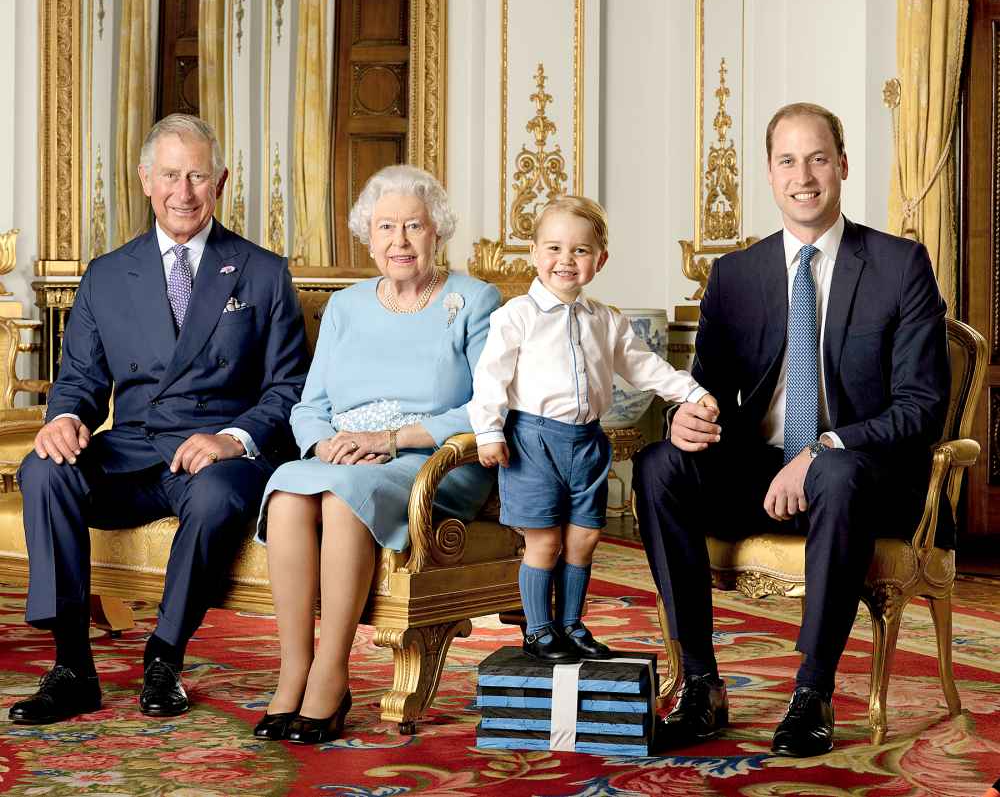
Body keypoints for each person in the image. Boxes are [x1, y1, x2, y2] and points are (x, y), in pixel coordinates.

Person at [634, 102, 950, 757]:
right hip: (759, 472)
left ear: (841, 165)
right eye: (787, 160)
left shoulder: (899, 265)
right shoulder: (735, 275)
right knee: (660, 463)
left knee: (835, 469)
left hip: (861, 477)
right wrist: (685, 417)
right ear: (769, 174)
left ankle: (813, 692)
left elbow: (921, 405)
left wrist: (824, 446)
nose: (802, 175)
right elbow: (710, 395)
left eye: (816, 158)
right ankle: (700, 684)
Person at [8, 114, 310, 725]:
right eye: (171, 174)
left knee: (220, 494)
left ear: (220, 182)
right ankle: (72, 667)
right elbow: (81, 382)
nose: (184, 191)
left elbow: (290, 389)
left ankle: (164, 657)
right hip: (134, 447)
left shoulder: (263, 271)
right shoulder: (108, 274)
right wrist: (65, 418)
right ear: (146, 179)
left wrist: (232, 439)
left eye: (198, 175)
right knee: (44, 469)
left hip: (216, 455)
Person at [253, 164, 500, 745]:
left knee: (343, 500)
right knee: (289, 490)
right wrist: (324, 444)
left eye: (414, 226)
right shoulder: (346, 306)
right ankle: (294, 669)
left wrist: (391, 440)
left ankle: (331, 674)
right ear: (368, 235)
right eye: (386, 227)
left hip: (430, 463)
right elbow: (307, 405)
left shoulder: (472, 300)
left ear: (437, 231)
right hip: (342, 456)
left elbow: (488, 407)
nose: (400, 241)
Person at [469, 195, 717, 663]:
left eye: (580, 251)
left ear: (599, 260)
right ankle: (539, 629)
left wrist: (689, 392)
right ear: (535, 254)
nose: (566, 260)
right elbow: (490, 378)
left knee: (583, 537)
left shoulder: (604, 319)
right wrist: (488, 432)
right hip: (532, 441)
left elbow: (643, 366)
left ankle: (571, 624)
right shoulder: (515, 317)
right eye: (554, 248)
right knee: (543, 540)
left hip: (587, 442)